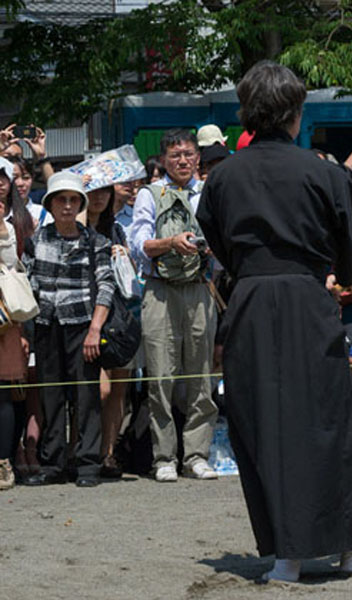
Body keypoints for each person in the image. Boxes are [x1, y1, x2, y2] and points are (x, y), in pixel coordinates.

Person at [196, 60, 352, 580]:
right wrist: (343, 273)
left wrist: (254, 271)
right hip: (307, 299)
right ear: (296, 114)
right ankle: (351, 547)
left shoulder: (222, 176)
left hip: (252, 301)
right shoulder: (326, 172)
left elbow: (216, 239)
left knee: (265, 424)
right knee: (328, 421)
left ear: (247, 112)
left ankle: (288, 553)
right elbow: (349, 256)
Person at [129, 129, 219, 483]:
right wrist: (170, 242)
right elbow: (138, 243)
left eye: (189, 154)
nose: (183, 160)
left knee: (201, 374)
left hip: (200, 288)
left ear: (198, 158)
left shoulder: (208, 194)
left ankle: (197, 454)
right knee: (161, 376)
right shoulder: (149, 195)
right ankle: (163, 456)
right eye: (175, 155)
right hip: (159, 289)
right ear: (164, 160)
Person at [22, 172, 114, 487]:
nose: (67, 205)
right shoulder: (36, 240)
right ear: (49, 203)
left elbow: (106, 287)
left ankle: (88, 465)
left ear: (80, 204)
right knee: (51, 396)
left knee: (87, 397)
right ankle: (52, 464)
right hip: (47, 326)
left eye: (73, 199)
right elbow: (26, 285)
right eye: (60, 199)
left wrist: (94, 329)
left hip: (83, 326)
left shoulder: (96, 241)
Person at [84, 184, 131, 479]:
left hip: (120, 316)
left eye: (105, 192)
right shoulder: (75, 227)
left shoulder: (117, 229)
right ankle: (84, 449)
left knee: (118, 390)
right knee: (97, 389)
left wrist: (123, 255)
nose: (99, 197)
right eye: (93, 191)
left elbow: (130, 272)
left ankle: (108, 454)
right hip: (86, 314)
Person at [0, 166, 29, 491]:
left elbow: (15, 264)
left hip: (8, 315)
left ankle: (5, 460)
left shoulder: (18, 223)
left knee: (7, 390)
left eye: (2, 178)